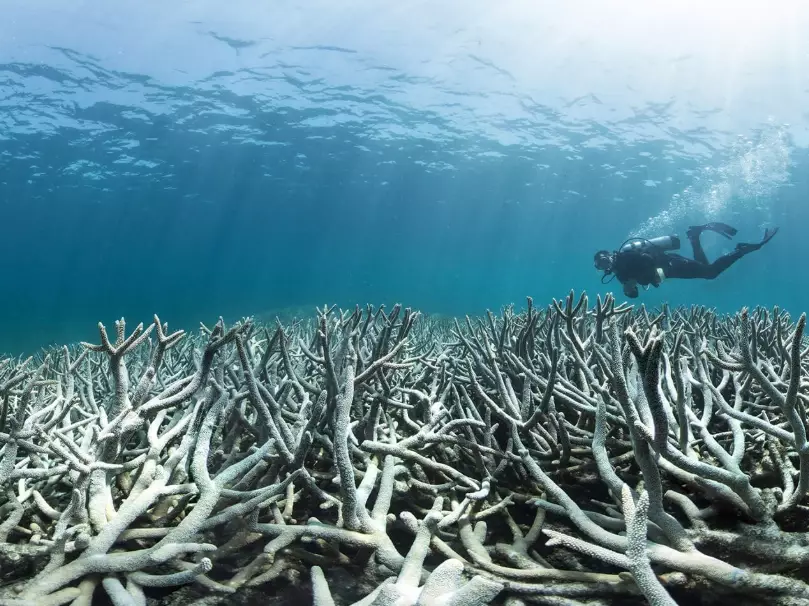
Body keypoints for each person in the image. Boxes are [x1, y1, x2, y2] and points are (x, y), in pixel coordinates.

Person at [593, 222, 779, 299]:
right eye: (600, 265)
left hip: (671, 265)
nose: (604, 265)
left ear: (609, 255)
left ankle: (740, 251)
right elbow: (634, 294)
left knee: (711, 273)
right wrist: (629, 290)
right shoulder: (619, 274)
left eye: (603, 260)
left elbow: (647, 258)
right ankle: (694, 236)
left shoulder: (625, 255)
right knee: (707, 270)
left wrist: (640, 275)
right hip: (670, 269)